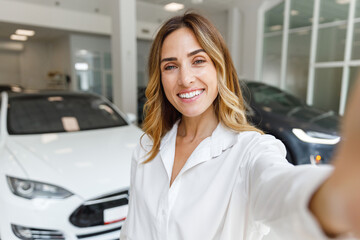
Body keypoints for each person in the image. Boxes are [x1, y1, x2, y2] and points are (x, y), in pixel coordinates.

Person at [120, 12, 360, 240]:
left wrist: (333, 198)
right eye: (170, 66)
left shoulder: (250, 152)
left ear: (219, 68)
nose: (185, 79)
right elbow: (131, 231)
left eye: (198, 60)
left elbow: (280, 189)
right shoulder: (146, 150)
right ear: (160, 78)